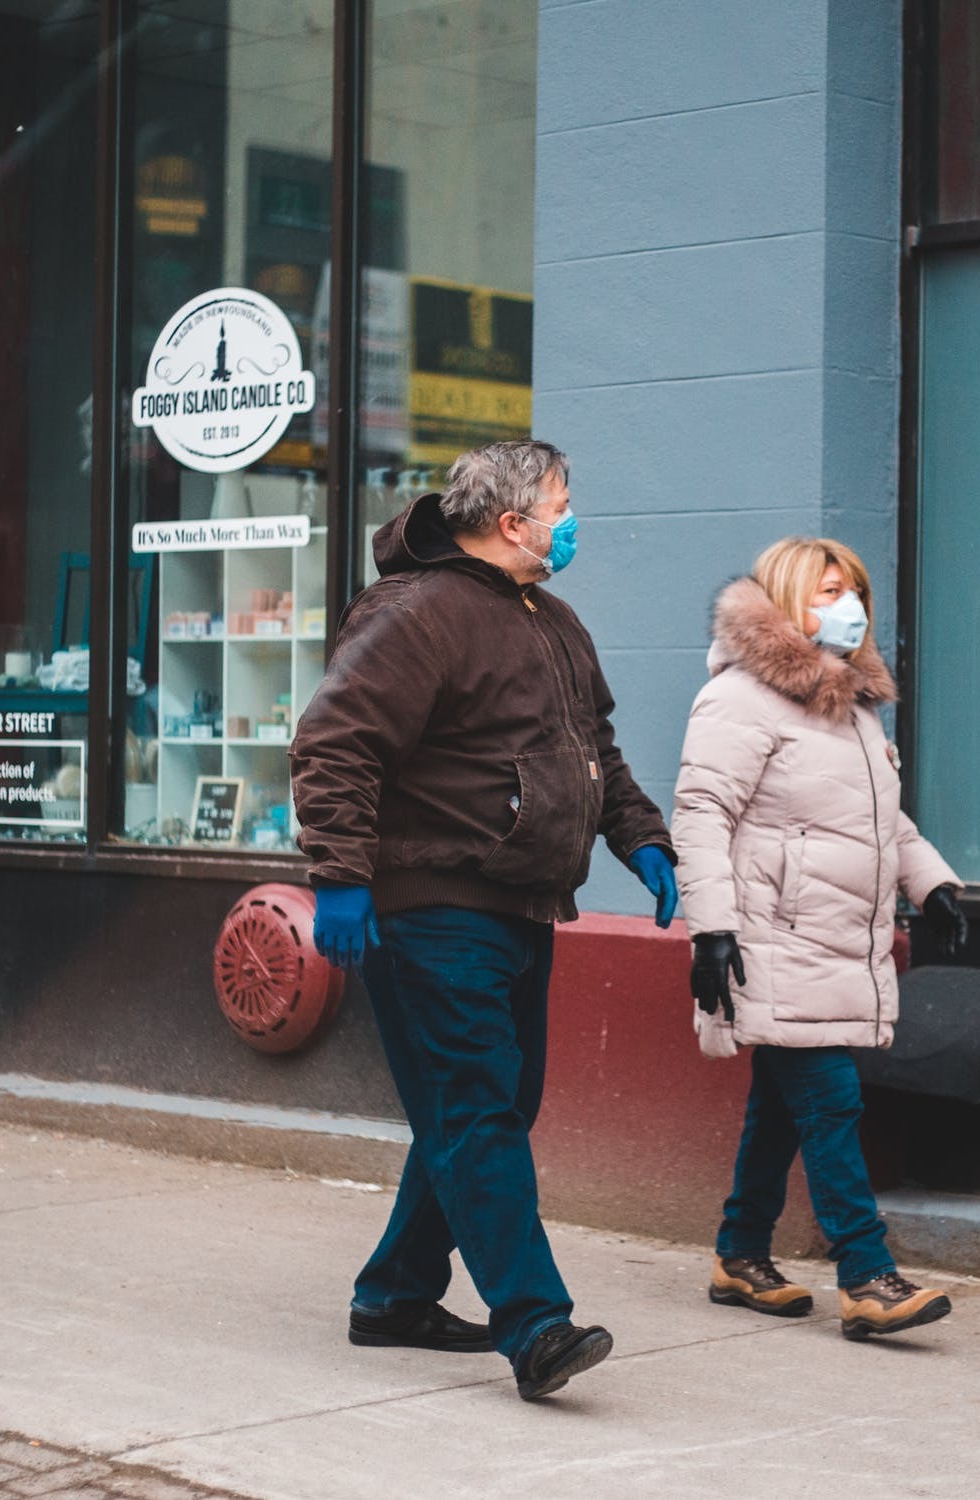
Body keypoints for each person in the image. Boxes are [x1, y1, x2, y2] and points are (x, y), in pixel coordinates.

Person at [289, 440, 679, 1402]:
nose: (572, 519)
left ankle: (395, 1295)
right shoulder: (415, 614)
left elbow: (596, 752)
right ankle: (534, 1322)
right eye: (561, 503)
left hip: (521, 906)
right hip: (431, 907)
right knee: (474, 1109)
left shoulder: (551, 618)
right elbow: (334, 746)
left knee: (489, 1109)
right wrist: (338, 880)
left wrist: (644, 841)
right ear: (513, 523)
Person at [672, 537, 968, 1340]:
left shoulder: (854, 706)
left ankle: (739, 1254)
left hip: (836, 939)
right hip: (773, 936)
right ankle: (867, 1275)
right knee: (829, 1098)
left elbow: (880, 821)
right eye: (828, 591)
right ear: (784, 602)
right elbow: (701, 816)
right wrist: (712, 932)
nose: (850, 607)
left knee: (782, 1104)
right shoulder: (740, 699)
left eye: (857, 592)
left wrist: (930, 882)